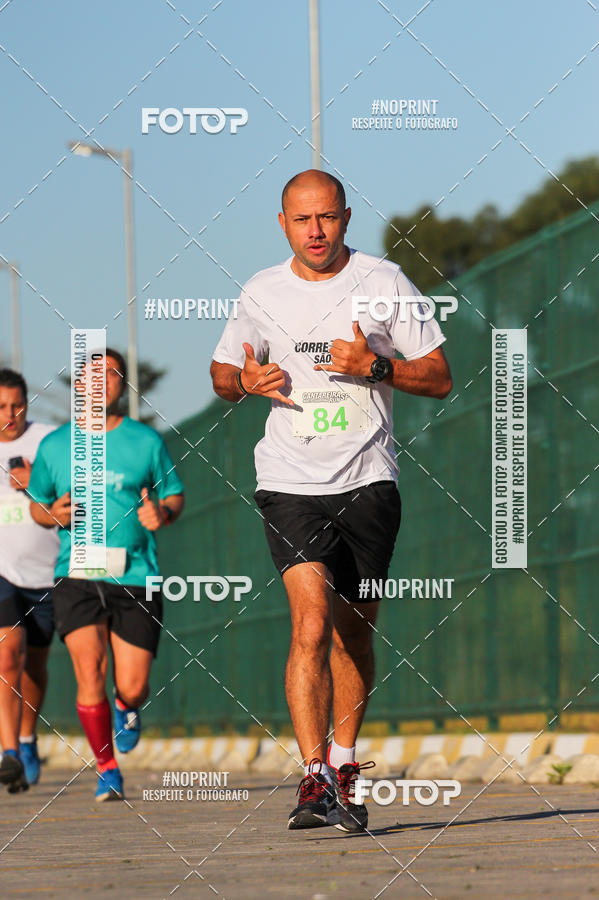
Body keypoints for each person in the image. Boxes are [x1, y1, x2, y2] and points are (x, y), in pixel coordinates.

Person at [210, 170, 452, 832]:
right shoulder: (261, 291)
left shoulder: (384, 283)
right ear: (282, 223)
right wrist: (245, 381)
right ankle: (313, 778)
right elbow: (222, 372)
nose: (315, 231)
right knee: (310, 622)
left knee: (355, 633)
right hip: (290, 482)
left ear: (345, 218)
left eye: (327, 218)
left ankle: (344, 765)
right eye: (301, 220)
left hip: (369, 482)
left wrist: (374, 366)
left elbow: (438, 377)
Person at [28, 349, 184, 801]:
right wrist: (50, 513)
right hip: (75, 573)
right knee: (89, 668)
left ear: (122, 385)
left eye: (113, 374)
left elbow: (173, 494)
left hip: (136, 573)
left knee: (132, 684)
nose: (102, 382)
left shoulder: (145, 442)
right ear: (79, 386)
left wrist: (163, 513)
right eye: (93, 375)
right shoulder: (55, 445)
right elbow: (38, 504)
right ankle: (107, 765)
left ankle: (125, 706)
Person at [0, 369, 59, 792]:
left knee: (36, 665)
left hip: (48, 573)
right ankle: (9, 753)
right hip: (3, 572)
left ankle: (27, 736)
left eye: (16, 405)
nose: (10, 414)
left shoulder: (50, 442)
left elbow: (75, 492)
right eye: (1, 407)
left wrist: (34, 484)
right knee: (8, 657)